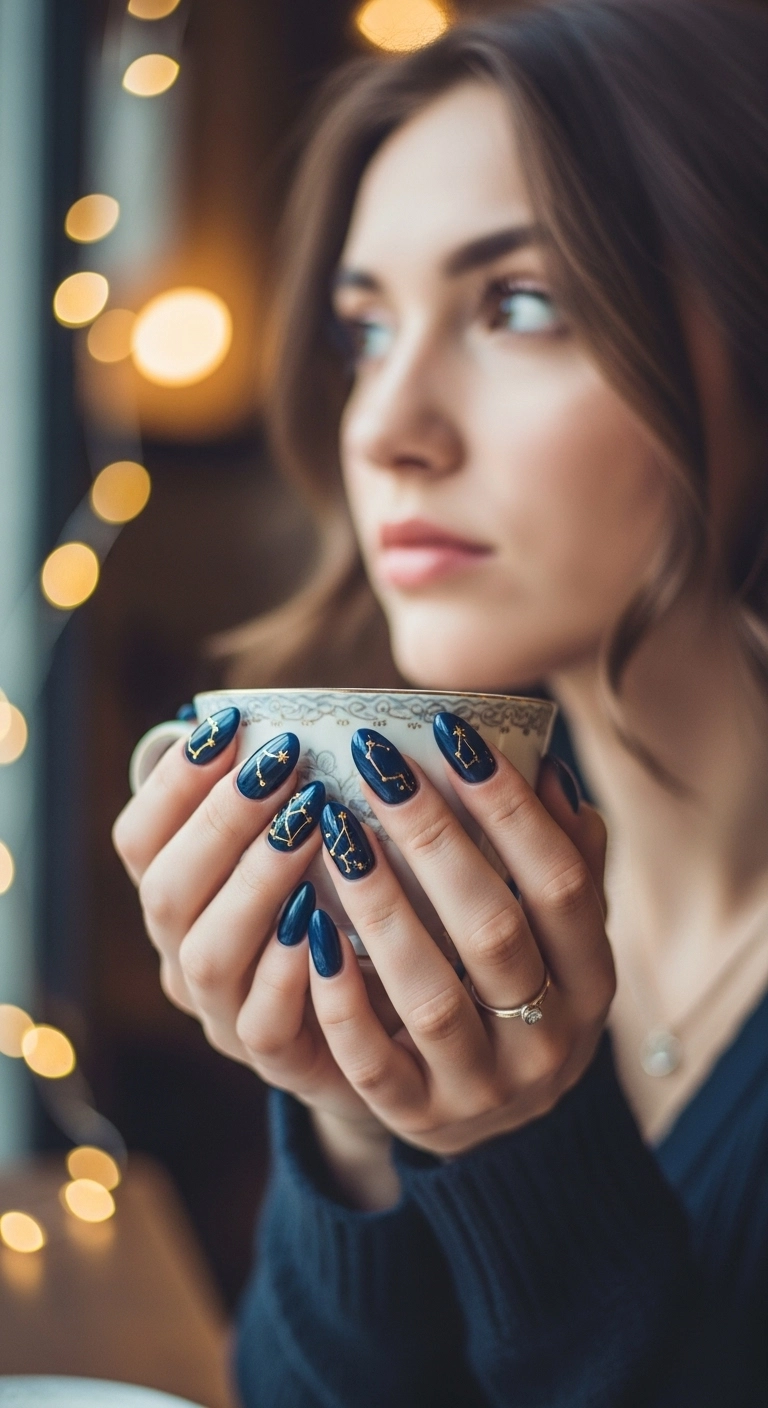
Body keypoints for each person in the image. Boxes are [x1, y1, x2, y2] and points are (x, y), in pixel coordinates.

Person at [112, 1, 768, 1402]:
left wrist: (518, 1163)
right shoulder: (428, 919)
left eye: (520, 305)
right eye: (364, 329)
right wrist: (353, 1136)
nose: (386, 428)